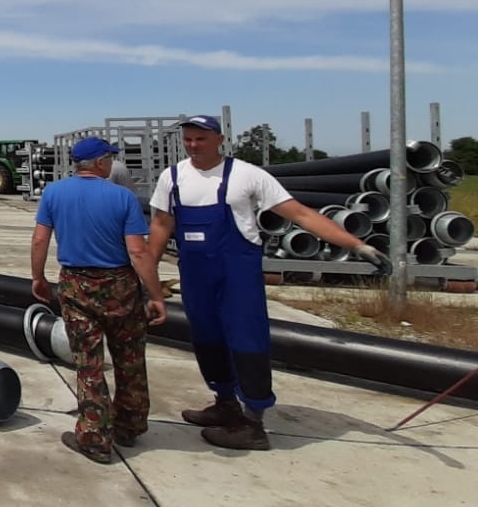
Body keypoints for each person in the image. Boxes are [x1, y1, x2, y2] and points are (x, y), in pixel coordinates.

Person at [148, 114, 391, 451]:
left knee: (248, 342)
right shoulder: (173, 177)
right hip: (196, 276)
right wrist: (148, 277)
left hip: (237, 275)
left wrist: (357, 245)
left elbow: (302, 214)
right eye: (188, 139)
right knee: (206, 339)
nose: (193, 146)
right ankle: (225, 403)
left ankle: (254, 423)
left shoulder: (247, 175)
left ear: (219, 140)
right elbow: (161, 225)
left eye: (200, 139)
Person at [31, 136, 168, 464]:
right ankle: (130, 426)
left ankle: (94, 437)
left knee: (88, 364)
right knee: (130, 358)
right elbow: (138, 250)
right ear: (102, 162)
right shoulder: (122, 197)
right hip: (120, 284)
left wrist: (37, 277)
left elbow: (39, 239)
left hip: (77, 285)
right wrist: (155, 293)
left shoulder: (54, 193)